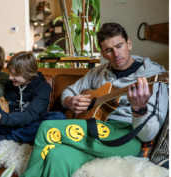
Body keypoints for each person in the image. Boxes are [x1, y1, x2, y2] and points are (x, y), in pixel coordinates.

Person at [21, 23, 168, 176]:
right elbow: (69, 91)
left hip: (127, 137)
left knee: (47, 128)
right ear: (103, 54)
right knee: (57, 156)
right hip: (96, 129)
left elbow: (148, 135)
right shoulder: (98, 72)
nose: (116, 54)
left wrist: (139, 110)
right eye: (109, 50)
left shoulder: (154, 77)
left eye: (119, 46)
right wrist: (69, 101)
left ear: (129, 44)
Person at [0, 51, 67, 147]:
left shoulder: (43, 87)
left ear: (28, 73)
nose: (10, 77)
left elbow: (29, 116)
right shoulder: (10, 84)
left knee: (59, 117)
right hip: (7, 124)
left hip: (31, 124)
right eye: (10, 73)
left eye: (15, 75)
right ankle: (21, 136)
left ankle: (6, 138)